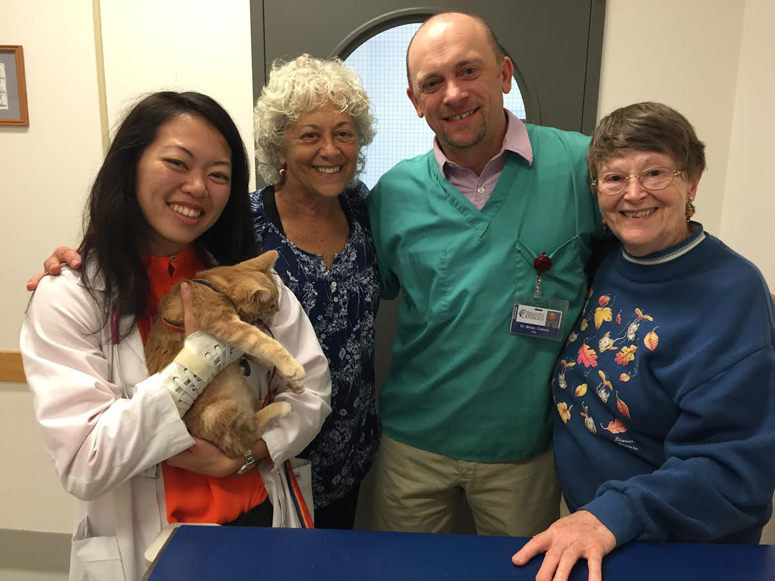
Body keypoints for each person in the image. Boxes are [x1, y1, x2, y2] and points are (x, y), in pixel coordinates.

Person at [27, 55, 382, 530]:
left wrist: (248, 453)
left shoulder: (354, 215)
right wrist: (198, 359)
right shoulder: (75, 294)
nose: (197, 187)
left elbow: (312, 385)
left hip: (283, 493)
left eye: (218, 174)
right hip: (155, 534)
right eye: (177, 163)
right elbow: (86, 460)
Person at [512, 102, 775, 581]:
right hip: (603, 524)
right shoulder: (611, 259)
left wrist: (612, 515)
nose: (633, 194)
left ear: (692, 181)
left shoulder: (732, 294)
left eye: (655, 172)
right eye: (614, 179)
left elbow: (737, 468)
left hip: (676, 546)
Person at [367, 12, 607, 536]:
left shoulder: (579, 166)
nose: (453, 94)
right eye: (432, 83)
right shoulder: (392, 195)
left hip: (524, 449)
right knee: (401, 576)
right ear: (415, 101)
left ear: (504, 75)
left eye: (468, 70)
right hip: (414, 445)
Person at [250, 54, 381, 529]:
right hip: (269, 458)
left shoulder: (365, 209)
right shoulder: (243, 227)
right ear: (279, 149)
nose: (330, 149)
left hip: (349, 451)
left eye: (343, 132)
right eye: (310, 135)